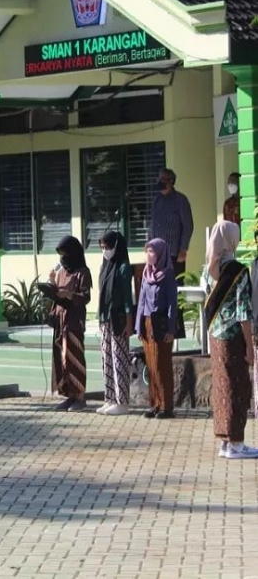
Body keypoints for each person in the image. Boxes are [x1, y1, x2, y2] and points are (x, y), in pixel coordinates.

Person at [203, 220, 258, 458]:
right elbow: (243, 312)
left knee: (222, 388)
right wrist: (249, 345)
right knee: (236, 387)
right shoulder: (238, 271)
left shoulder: (209, 270)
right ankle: (236, 443)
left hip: (215, 336)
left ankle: (225, 441)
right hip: (233, 338)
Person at [48, 236, 92, 412]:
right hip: (60, 320)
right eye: (60, 254)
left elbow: (85, 297)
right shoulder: (61, 272)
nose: (63, 258)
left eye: (65, 253)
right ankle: (68, 395)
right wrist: (51, 284)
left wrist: (70, 295)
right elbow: (56, 293)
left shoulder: (82, 272)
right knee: (62, 359)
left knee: (74, 358)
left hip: (73, 321)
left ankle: (80, 396)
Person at [148, 167, 193, 338]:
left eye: (163, 178)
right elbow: (152, 224)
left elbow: (188, 225)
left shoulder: (180, 200)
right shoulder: (156, 200)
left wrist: (183, 248)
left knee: (175, 292)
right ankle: (160, 327)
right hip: (157, 256)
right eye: (158, 177)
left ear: (171, 181)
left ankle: (177, 328)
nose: (159, 181)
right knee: (159, 293)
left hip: (174, 254)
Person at [135, 238, 177, 419]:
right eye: (147, 251)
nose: (149, 255)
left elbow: (172, 304)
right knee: (151, 366)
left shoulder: (167, 275)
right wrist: (139, 327)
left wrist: (171, 329)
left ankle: (167, 406)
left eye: (152, 252)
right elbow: (141, 301)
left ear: (160, 254)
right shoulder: (146, 273)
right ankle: (155, 404)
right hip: (147, 324)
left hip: (161, 324)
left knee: (162, 365)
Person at [96, 231, 134, 416]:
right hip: (105, 319)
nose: (105, 251)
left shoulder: (123, 268)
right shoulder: (105, 266)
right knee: (107, 360)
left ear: (117, 246)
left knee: (119, 360)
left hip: (119, 319)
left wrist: (129, 321)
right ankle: (110, 398)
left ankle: (122, 402)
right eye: (102, 247)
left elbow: (127, 297)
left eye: (108, 247)